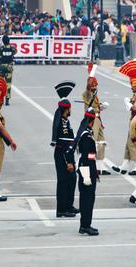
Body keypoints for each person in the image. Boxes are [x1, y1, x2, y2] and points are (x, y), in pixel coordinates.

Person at [113, 59, 136, 175]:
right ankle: (124, 166)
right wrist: (129, 100)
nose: (130, 87)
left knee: (132, 143)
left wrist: (128, 104)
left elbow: (135, 108)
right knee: (128, 144)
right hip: (133, 121)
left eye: (132, 85)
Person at [51, 81, 78, 218]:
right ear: (66, 109)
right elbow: (62, 145)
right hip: (63, 155)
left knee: (72, 179)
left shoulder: (66, 121)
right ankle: (61, 209)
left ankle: (69, 205)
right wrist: (68, 162)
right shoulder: (62, 123)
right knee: (63, 182)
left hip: (68, 154)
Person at [74, 108, 99, 236]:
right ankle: (85, 226)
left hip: (89, 169)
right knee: (87, 200)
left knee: (87, 199)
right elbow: (85, 158)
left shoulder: (84, 131)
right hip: (86, 171)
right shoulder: (86, 135)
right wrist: (86, 176)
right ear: (92, 121)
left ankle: (85, 225)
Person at [82, 64, 110, 175]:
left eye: (95, 86)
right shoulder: (87, 94)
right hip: (91, 120)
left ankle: (100, 167)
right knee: (91, 144)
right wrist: (92, 71)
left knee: (102, 143)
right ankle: (90, 166)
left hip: (98, 120)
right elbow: (88, 85)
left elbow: (96, 107)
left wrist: (101, 107)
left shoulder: (95, 95)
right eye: (93, 86)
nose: (94, 87)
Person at [0, 35, 17, 106]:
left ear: (3, 41)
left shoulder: (0, 48)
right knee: (8, 84)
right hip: (9, 68)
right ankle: (7, 100)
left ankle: (0, 99)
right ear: (9, 41)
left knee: (1, 84)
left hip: (1, 68)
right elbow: (15, 52)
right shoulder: (12, 48)